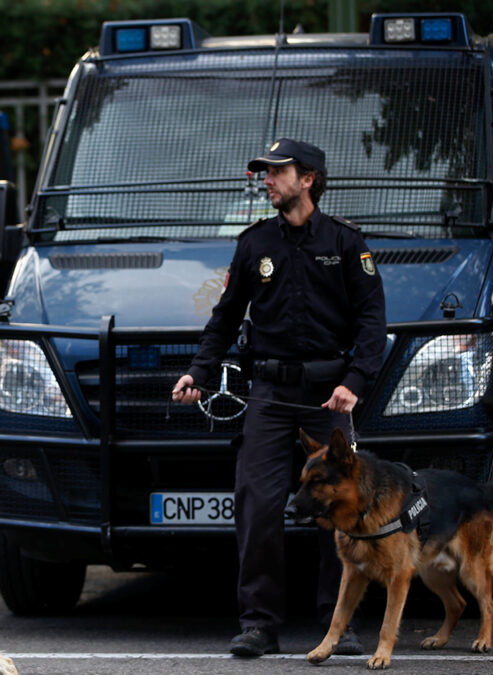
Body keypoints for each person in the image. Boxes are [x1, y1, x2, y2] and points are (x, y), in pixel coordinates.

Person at [171, 139, 386, 658]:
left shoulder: (347, 242)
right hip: (269, 394)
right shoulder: (253, 244)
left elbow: (373, 321)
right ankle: (259, 624)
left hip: (328, 398)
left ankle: (341, 624)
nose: (266, 179)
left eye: (276, 171)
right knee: (258, 504)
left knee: (341, 510)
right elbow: (224, 317)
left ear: (308, 179)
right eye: (264, 172)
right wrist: (199, 372)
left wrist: (354, 382)